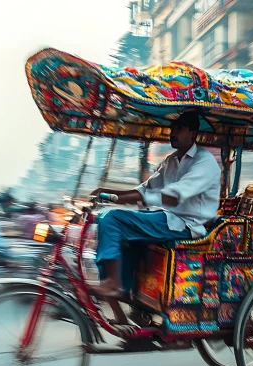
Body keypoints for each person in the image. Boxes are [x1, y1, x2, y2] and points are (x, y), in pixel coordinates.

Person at [89, 111, 221, 325]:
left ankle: (112, 283)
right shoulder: (171, 161)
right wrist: (107, 192)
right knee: (111, 227)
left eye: (179, 128)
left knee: (112, 219)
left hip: (186, 225)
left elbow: (173, 196)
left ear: (193, 133)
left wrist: (114, 199)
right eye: (172, 128)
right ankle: (124, 300)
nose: (173, 133)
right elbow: (145, 190)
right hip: (165, 219)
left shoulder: (204, 162)